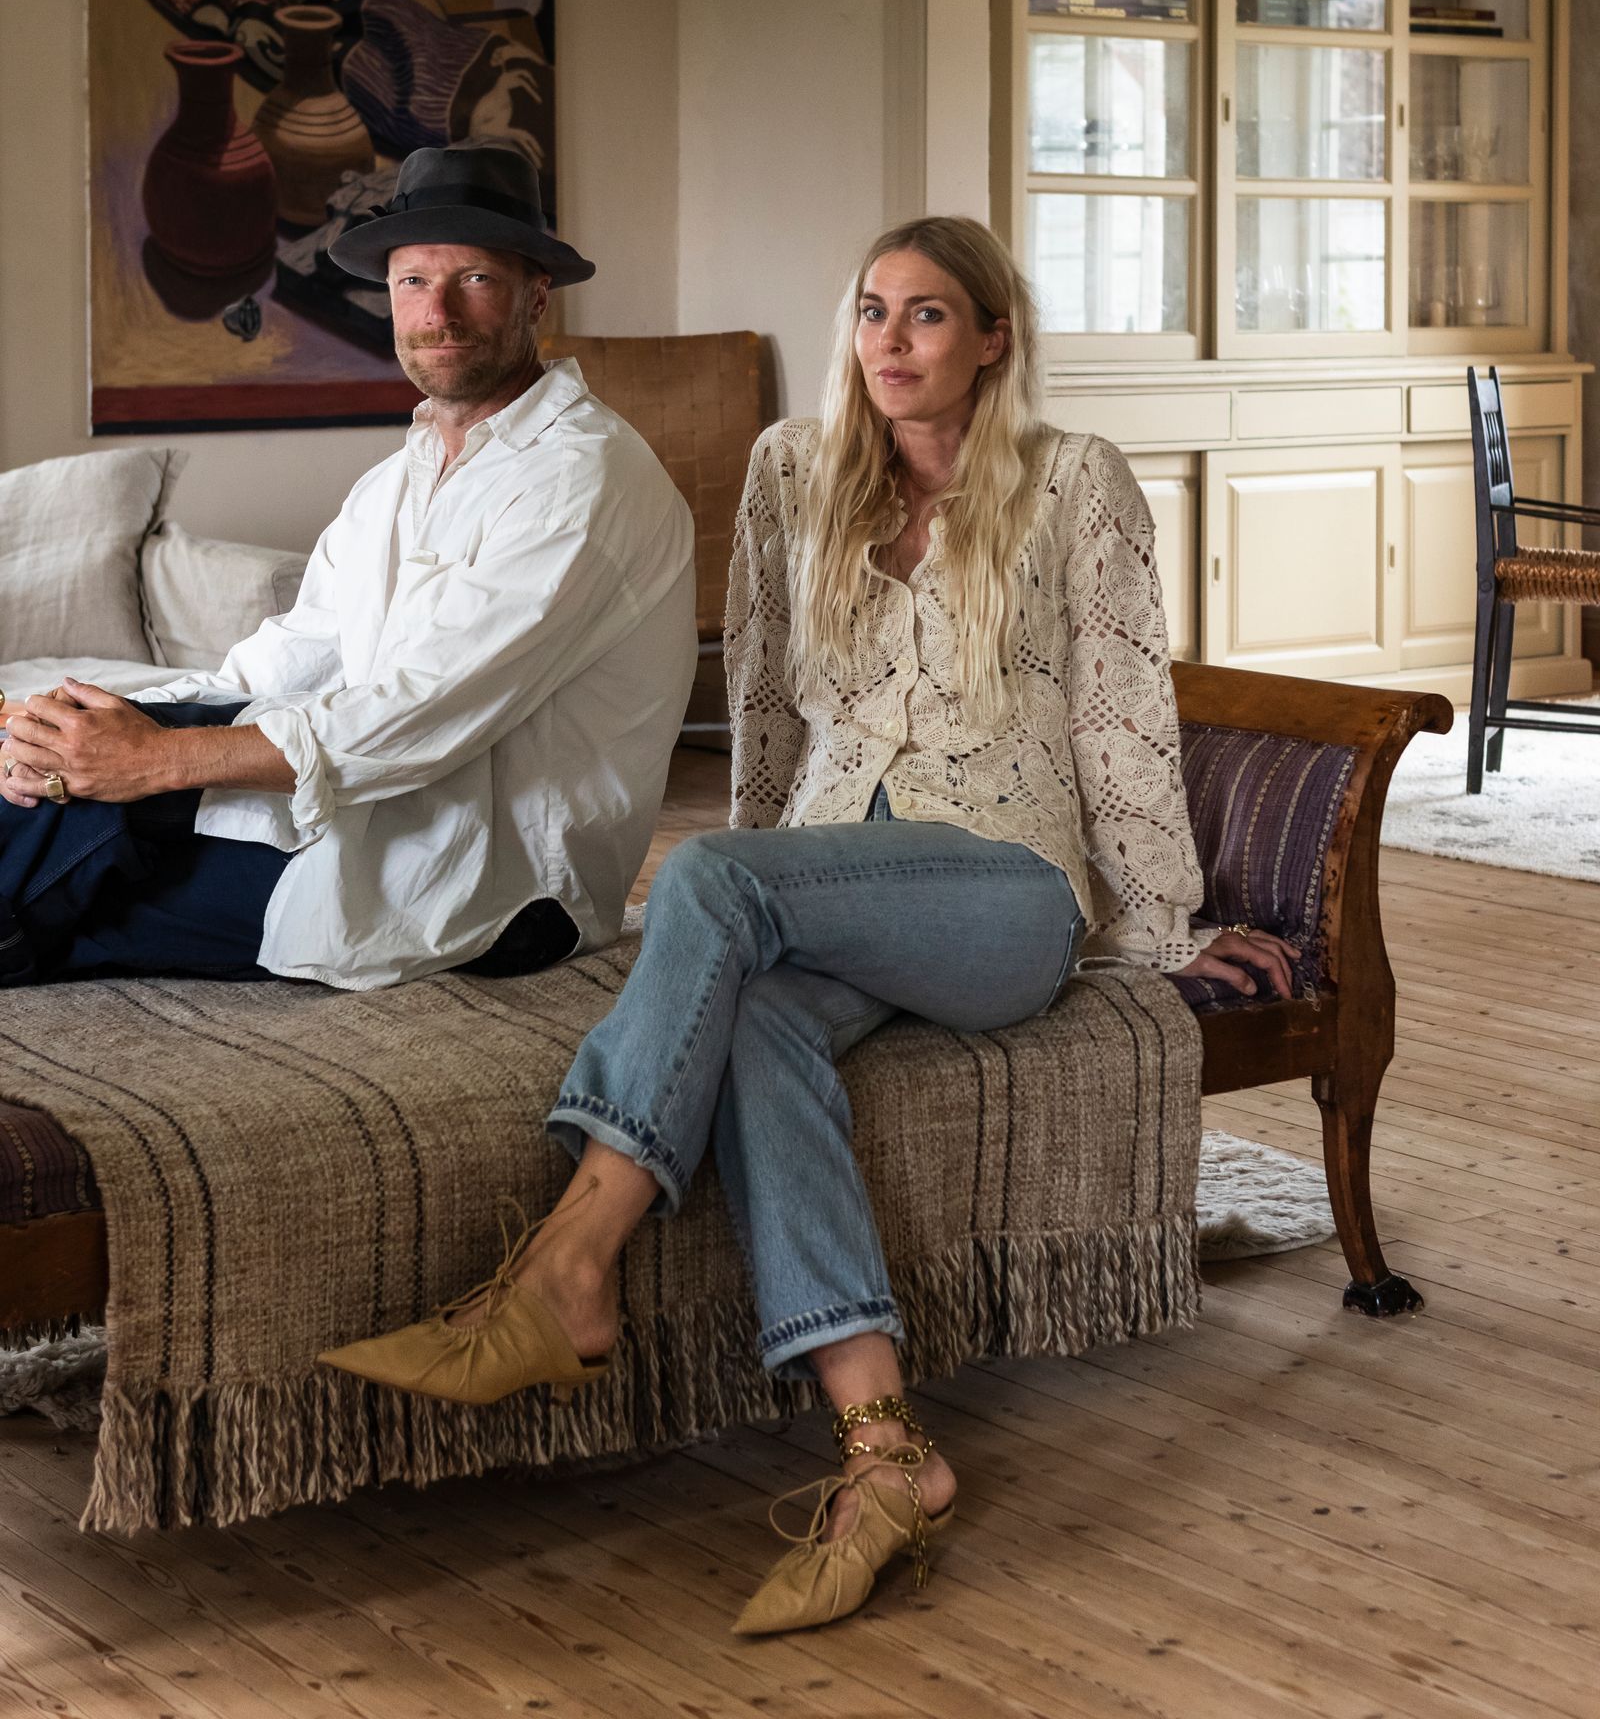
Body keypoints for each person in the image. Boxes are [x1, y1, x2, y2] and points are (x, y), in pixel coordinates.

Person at [318, 214, 1296, 1630]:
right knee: (760, 1018)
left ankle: (567, 1267)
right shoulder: (792, 471)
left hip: (1005, 893)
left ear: (994, 338)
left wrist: (1155, 926)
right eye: (872, 313)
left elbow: (1121, 710)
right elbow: (769, 710)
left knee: (709, 881)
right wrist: (748, 917)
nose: (892, 344)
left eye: (929, 317)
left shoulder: (1076, 482)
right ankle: (886, 1454)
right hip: (837, 872)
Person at [0, 143, 696, 991]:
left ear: (534, 295)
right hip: (370, 814)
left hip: (489, 881)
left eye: (472, 278)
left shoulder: (582, 478)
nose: (436, 310)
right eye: (411, 282)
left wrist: (152, 761)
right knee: (56, 794)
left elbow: (419, 714)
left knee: (80, 851)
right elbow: (283, 659)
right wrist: (93, 726)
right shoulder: (393, 484)